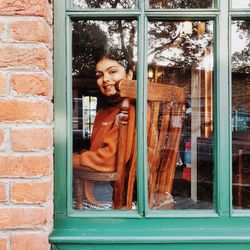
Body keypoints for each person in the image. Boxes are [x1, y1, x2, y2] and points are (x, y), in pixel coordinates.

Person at [73, 47, 136, 209]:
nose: (105, 79)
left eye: (112, 71)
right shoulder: (103, 112)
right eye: (100, 75)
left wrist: (67, 160)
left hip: (108, 193)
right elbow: (98, 151)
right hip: (93, 184)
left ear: (129, 74)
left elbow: (108, 160)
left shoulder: (130, 109)